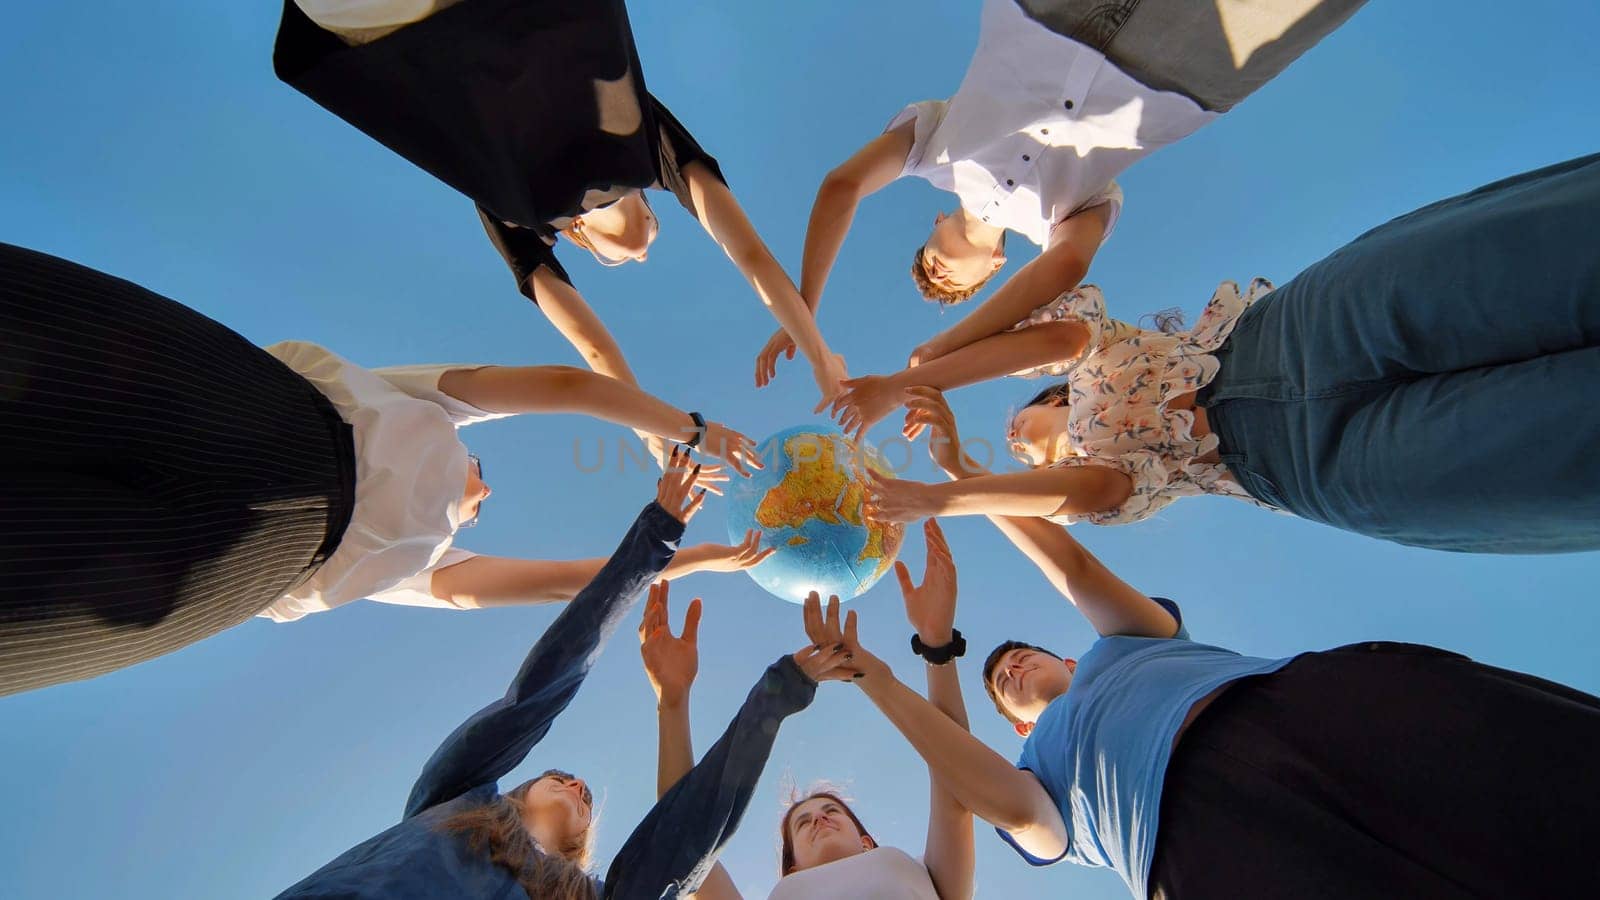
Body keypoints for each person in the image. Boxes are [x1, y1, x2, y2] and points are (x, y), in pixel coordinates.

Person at [822, 396, 1600, 898]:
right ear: (1019, 726)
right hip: (1198, 845)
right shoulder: (1035, 773)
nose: (1011, 668)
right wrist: (916, 659)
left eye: (1019, 655)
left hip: (1295, 707)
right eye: (1001, 686)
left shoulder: (1130, 645)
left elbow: (1072, 564)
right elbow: (979, 789)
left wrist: (962, 476)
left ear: (1070, 657)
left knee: (1541, 775)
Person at [0, 242, 760, 696]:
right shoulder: (419, 404)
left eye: (481, 508)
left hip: (227, 566)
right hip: (246, 409)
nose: (486, 489)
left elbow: (574, 582)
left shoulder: (424, 566)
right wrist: (686, 429)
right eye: (482, 473)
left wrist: (701, 558)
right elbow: (570, 388)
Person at [854, 154, 1600, 554]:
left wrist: (922, 373)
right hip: (1310, 464)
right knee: (1558, 447)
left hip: (1299, 330)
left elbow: (1049, 333)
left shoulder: (1088, 357)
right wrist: (945, 494)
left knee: (1528, 258)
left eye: (1015, 423)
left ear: (1046, 398)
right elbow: (1090, 495)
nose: (1015, 439)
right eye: (1014, 450)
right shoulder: (1092, 480)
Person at [275, 473, 852, 899]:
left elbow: (692, 828)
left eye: (579, 789)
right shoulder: (456, 799)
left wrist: (779, 693)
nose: (577, 784)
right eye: (562, 777)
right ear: (519, 788)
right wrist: (653, 541)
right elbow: (539, 690)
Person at [275, 0, 849, 417]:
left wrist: (655, 434)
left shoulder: (520, 218)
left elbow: (594, 348)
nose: (644, 254)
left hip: (390, 25)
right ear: (652, 198)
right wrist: (818, 352)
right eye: (654, 223)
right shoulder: (648, 147)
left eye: (621, 263)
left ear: (580, 242)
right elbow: (742, 247)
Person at [767, 0, 1363, 400]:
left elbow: (840, 188)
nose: (937, 269)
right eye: (951, 285)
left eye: (925, 262)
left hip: (1040, 17)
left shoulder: (930, 147)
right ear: (998, 268)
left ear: (935, 220)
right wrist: (938, 354)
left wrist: (804, 318)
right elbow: (1068, 266)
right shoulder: (1065, 217)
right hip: (1182, 70)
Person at [639, 523, 976, 900]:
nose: (819, 818)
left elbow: (959, 778)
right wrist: (672, 700)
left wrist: (938, 648)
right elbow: (682, 838)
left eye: (831, 811)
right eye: (802, 824)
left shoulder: (918, 873)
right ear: (793, 866)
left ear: (866, 843)